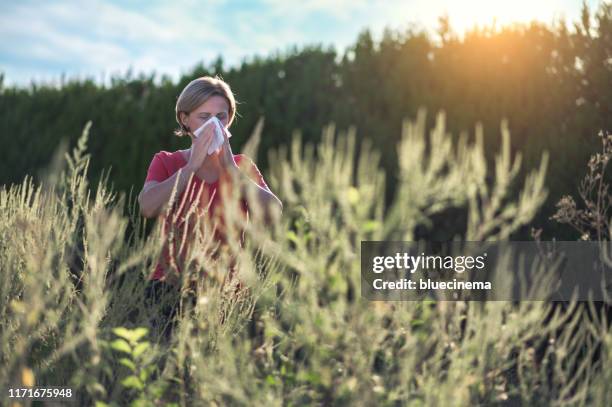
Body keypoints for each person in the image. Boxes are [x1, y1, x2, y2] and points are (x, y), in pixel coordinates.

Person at [138, 75, 283, 290]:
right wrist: (190, 168)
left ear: (229, 119)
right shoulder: (167, 161)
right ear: (185, 119)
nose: (213, 124)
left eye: (220, 117)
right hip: (170, 287)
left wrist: (232, 171)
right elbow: (147, 207)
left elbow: (274, 213)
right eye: (204, 117)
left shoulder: (242, 166)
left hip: (226, 290)